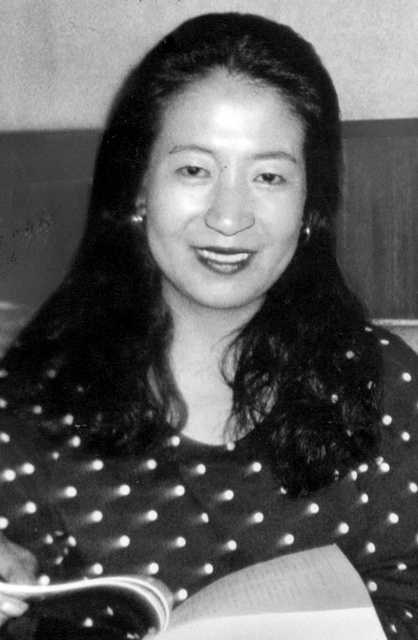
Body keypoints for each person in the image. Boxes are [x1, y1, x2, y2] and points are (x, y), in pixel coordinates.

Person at [0, 11, 417, 639]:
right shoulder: (31, 407)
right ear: (139, 187)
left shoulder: (384, 384)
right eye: (194, 169)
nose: (228, 216)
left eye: (269, 176)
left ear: (310, 203)